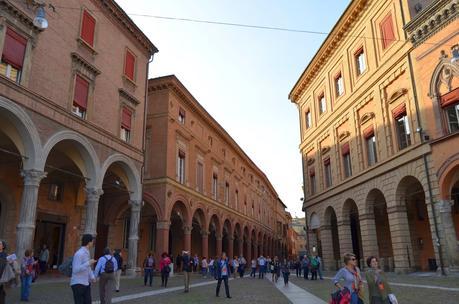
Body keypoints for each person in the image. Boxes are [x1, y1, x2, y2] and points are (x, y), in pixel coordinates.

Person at [71, 234, 97, 304]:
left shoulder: (87, 252)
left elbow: (87, 268)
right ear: (89, 242)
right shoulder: (79, 253)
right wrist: (88, 263)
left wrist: (92, 277)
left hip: (86, 283)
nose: (93, 243)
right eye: (92, 241)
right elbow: (75, 270)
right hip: (78, 283)